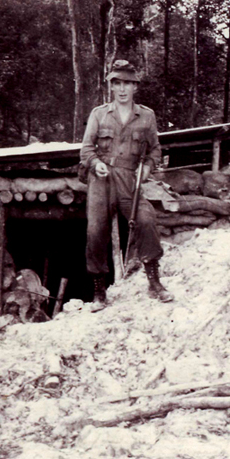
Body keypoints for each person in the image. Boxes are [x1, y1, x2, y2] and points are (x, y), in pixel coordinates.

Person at [80, 60, 173, 308]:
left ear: (135, 87)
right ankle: (99, 291)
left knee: (146, 219)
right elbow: (86, 149)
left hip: (129, 179)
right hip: (101, 179)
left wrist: (147, 168)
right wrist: (95, 163)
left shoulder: (147, 116)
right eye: (117, 83)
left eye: (127, 84)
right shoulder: (99, 114)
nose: (122, 89)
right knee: (95, 232)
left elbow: (155, 150)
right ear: (111, 86)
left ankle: (154, 282)